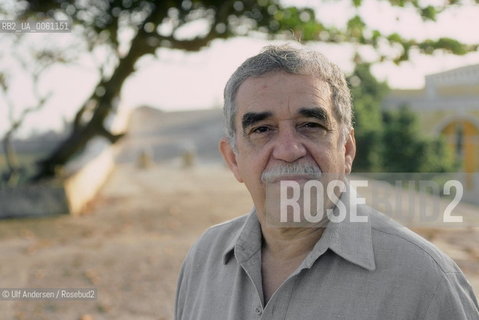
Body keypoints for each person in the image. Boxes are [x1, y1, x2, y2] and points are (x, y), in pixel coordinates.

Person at [174, 44, 479, 319]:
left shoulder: (426, 282)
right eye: (262, 130)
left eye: (311, 125)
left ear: (346, 149)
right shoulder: (204, 260)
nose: (289, 151)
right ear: (234, 159)